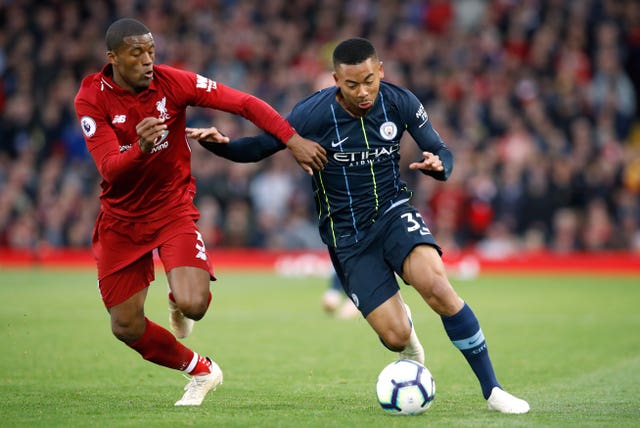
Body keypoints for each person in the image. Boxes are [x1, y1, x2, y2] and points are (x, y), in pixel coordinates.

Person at [189, 37, 530, 414]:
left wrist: (441, 165)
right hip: (347, 237)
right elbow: (257, 148)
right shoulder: (311, 114)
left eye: (369, 80)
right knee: (395, 335)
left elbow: (442, 149)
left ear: (380, 70)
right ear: (336, 80)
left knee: (437, 287)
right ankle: (410, 341)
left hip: (394, 213)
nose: (363, 91)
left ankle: (493, 391)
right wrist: (220, 145)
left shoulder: (400, 101)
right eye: (352, 85)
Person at [73, 18, 326, 407]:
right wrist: (139, 148)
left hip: (171, 206)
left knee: (194, 304)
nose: (147, 61)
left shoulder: (173, 83)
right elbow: (109, 168)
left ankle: (179, 297)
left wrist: (291, 140)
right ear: (113, 58)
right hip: (121, 220)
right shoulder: (91, 97)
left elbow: (243, 102)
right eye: (136, 53)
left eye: (151, 51)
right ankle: (201, 370)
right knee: (124, 325)